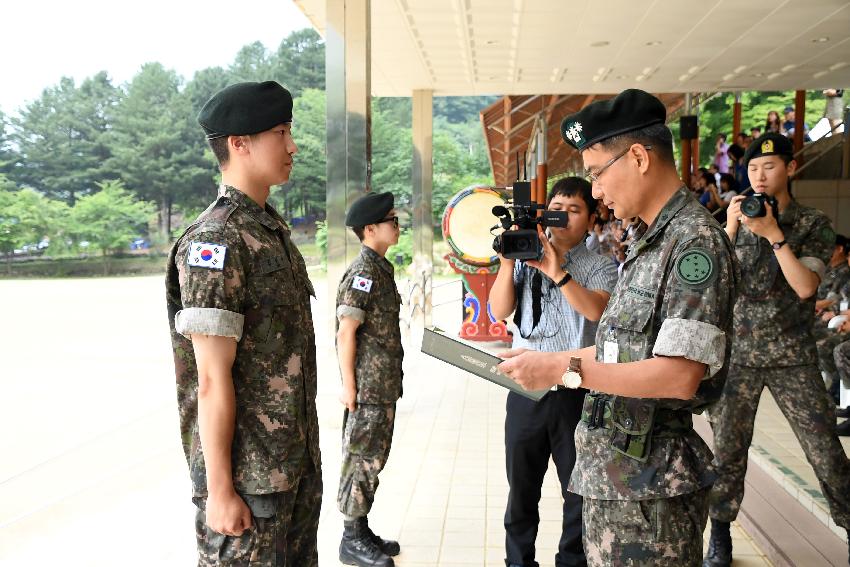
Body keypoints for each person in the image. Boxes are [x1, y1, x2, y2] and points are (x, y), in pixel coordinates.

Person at [499, 88, 739, 566]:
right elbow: (617, 350)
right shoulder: (650, 242)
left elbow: (677, 374)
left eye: (597, 175)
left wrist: (563, 372)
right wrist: (544, 362)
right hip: (619, 483)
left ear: (637, 157)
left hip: (651, 497)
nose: (599, 192)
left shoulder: (693, 243)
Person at [165, 81, 322, 566]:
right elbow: (210, 379)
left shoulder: (268, 230)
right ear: (239, 143)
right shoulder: (216, 241)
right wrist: (219, 491)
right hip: (248, 485)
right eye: (281, 132)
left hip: (291, 469)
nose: (292, 146)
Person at [704, 132, 850, 567]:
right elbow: (710, 284)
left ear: (789, 167)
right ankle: (721, 533)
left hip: (794, 355)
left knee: (825, 452)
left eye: (769, 166)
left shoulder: (812, 222)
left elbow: (806, 287)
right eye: (752, 169)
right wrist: (730, 228)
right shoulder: (734, 220)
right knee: (728, 452)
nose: (760, 175)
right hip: (738, 358)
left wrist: (773, 235)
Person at [489, 177, 618, 567]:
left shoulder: (600, 265)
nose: (561, 218)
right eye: (555, 209)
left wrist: (557, 270)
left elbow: (597, 311)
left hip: (575, 386)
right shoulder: (524, 256)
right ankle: (518, 562)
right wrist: (510, 259)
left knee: (577, 492)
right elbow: (498, 311)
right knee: (521, 490)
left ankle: (571, 562)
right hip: (526, 389)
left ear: (593, 218)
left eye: (574, 210)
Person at [335, 192, 403, 567]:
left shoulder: (379, 268)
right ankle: (350, 539)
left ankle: (361, 529)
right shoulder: (362, 273)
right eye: (391, 220)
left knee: (372, 460)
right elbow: (346, 333)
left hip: (382, 387)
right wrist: (349, 386)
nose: (397, 225)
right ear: (370, 228)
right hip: (367, 390)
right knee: (360, 460)